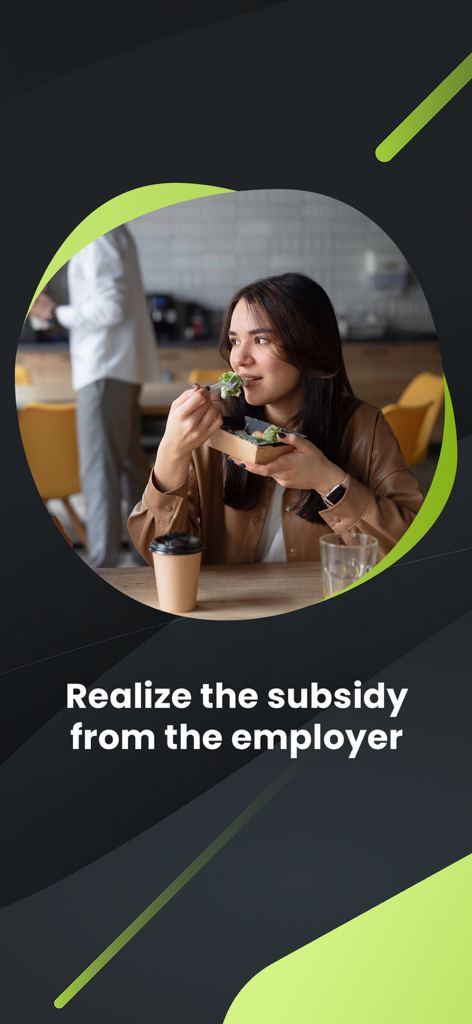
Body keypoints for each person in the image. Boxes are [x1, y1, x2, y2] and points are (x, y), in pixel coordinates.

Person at [128, 272, 424, 566]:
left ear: (309, 346)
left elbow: (413, 547)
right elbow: (158, 556)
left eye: (260, 339)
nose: (239, 358)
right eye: (234, 341)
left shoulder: (364, 428)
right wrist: (169, 452)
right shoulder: (209, 426)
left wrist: (328, 481)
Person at [30, 225, 160, 567]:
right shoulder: (110, 230)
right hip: (117, 368)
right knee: (129, 465)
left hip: (104, 370)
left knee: (99, 473)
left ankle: (103, 569)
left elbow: (109, 308)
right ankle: (147, 556)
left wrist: (56, 313)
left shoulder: (97, 234)